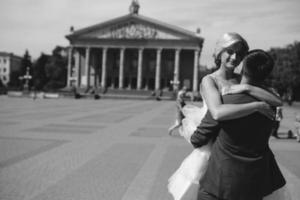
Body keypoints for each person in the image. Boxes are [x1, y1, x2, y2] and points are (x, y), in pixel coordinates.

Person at [168, 33, 283, 200]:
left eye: (240, 53)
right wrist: (256, 105)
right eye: (230, 51)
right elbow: (217, 112)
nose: (235, 57)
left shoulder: (243, 79)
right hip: (214, 149)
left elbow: (277, 101)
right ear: (219, 52)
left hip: (239, 149)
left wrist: (248, 89)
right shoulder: (210, 80)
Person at [191, 50, 288, 200]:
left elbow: (197, 139)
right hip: (254, 185)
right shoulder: (271, 104)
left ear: (242, 68)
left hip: (219, 184)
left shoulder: (225, 102)